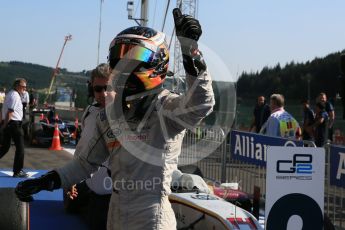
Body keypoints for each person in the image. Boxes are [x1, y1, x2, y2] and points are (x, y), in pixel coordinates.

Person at [15, 9, 215, 230]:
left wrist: (191, 52)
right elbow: (84, 164)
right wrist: (46, 181)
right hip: (116, 212)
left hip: (152, 217)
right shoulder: (111, 113)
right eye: (119, 58)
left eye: (133, 59)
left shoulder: (166, 107)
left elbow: (201, 104)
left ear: (156, 62)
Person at [63, 63, 113, 230]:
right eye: (98, 89)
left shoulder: (130, 114)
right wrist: (72, 178)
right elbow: (81, 148)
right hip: (95, 188)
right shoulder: (89, 112)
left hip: (119, 195)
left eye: (108, 87)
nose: (103, 93)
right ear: (92, 89)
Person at [0, 78, 28, 177]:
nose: (25, 88)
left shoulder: (9, 94)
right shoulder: (15, 96)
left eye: (25, 87)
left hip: (8, 123)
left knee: (5, 147)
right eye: (23, 86)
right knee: (20, 148)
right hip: (14, 124)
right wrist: (4, 126)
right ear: (17, 86)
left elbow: (2, 110)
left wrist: (3, 124)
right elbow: (10, 112)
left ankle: (18, 170)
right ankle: (18, 171)